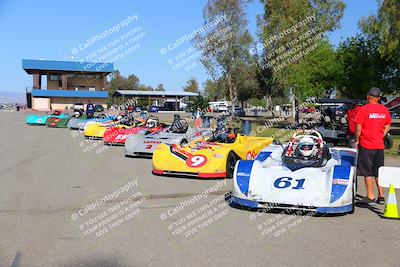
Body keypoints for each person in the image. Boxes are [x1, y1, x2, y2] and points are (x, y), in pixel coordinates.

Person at [353, 87, 391, 204]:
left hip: (366, 144)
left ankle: (370, 196)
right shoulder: (384, 110)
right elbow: (387, 125)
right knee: (378, 170)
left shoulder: (364, 109)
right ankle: (381, 196)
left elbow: (358, 127)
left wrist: (356, 141)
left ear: (368, 96)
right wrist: (381, 136)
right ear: (379, 98)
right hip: (379, 145)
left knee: (367, 171)